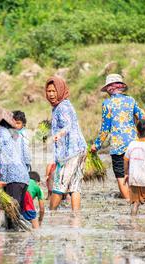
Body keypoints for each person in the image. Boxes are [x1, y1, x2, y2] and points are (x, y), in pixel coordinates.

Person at [91, 74, 145, 200]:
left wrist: (96, 145)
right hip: (133, 145)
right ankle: (137, 200)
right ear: (121, 87)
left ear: (109, 88)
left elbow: (105, 129)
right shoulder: (131, 100)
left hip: (118, 147)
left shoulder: (107, 103)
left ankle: (128, 203)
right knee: (133, 175)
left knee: (121, 176)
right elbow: (143, 121)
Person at [0, 107, 34, 228]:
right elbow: (27, 156)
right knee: (15, 214)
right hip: (23, 178)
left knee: (13, 219)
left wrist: (3, 179)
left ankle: (21, 239)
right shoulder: (16, 133)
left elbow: (2, 158)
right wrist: (24, 172)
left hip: (11, 180)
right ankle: (19, 241)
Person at [45, 76, 87, 212]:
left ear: (61, 90)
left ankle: (50, 215)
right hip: (80, 149)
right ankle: (76, 218)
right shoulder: (64, 104)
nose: (51, 94)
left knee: (59, 185)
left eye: (54, 91)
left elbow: (68, 125)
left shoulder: (62, 107)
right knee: (75, 186)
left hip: (70, 153)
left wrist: (59, 134)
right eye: (49, 91)